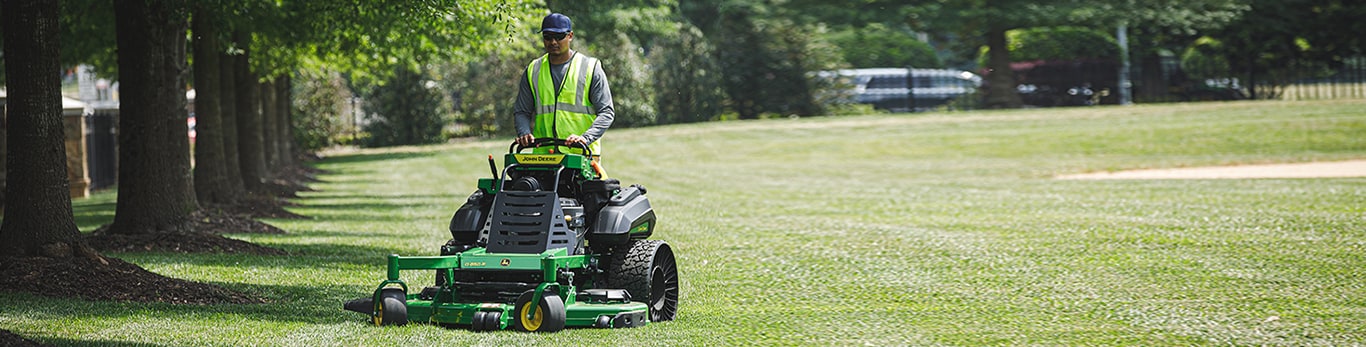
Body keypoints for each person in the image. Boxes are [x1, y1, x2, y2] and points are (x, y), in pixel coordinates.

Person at [513, 13, 614, 163]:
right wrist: (524, 132)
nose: (553, 42)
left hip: (582, 157)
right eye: (548, 36)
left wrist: (585, 138)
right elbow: (522, 111)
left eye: (559, 36)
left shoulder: (590, 68)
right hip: (544, 158)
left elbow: (606, 112)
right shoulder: (533, 70)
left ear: (570, 36)